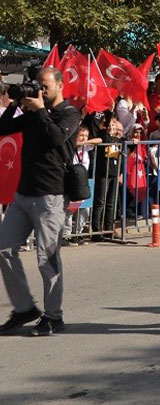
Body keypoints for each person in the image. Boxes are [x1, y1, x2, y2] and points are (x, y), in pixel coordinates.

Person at [0, 67, 81, 336]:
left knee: (46, 259)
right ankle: (24, 308)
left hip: (51, 197)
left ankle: (53, 316)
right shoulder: (33, 112)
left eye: (45, 86)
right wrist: (14, 104)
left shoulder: (69, 113)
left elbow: (55, 137)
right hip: (24, 195)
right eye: (38, 86)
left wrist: (40, 110)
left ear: (60, 86)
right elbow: (3, 127)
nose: (41, 90)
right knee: (3, 248)